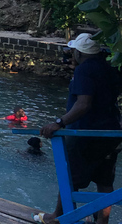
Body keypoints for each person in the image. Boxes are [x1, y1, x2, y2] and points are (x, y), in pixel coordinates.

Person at [34, 34, 122, 224]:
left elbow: (83, 104)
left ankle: (58, 217)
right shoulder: (110, 67)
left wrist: (59, 122)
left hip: (87, 132)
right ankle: (102, 222)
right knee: (105, 180)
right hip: (112, 133)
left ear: (80, 53)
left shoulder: (84, 70)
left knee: (70, 177)